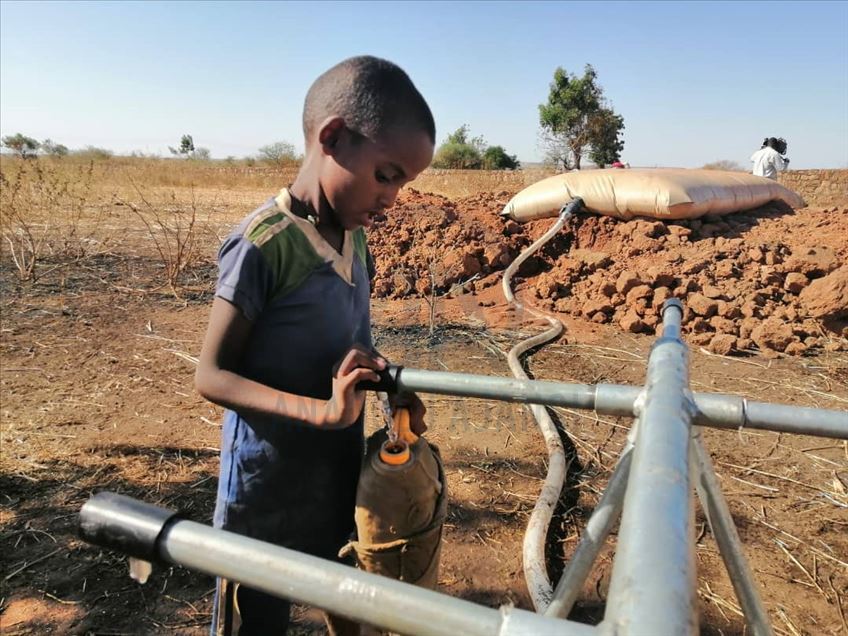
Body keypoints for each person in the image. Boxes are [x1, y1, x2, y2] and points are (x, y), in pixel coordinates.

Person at [195, 55, 435, 636]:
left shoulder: (358, 244)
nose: (393, 198)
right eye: (386, 174)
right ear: (332, 138)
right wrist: (320, 411)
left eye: (404, 182)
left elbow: (355, 351)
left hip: (337, 474)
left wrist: (389, 393)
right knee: (259, 615)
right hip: (264, 489)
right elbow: (212, 374)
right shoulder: (263, 245)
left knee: (348, 593)